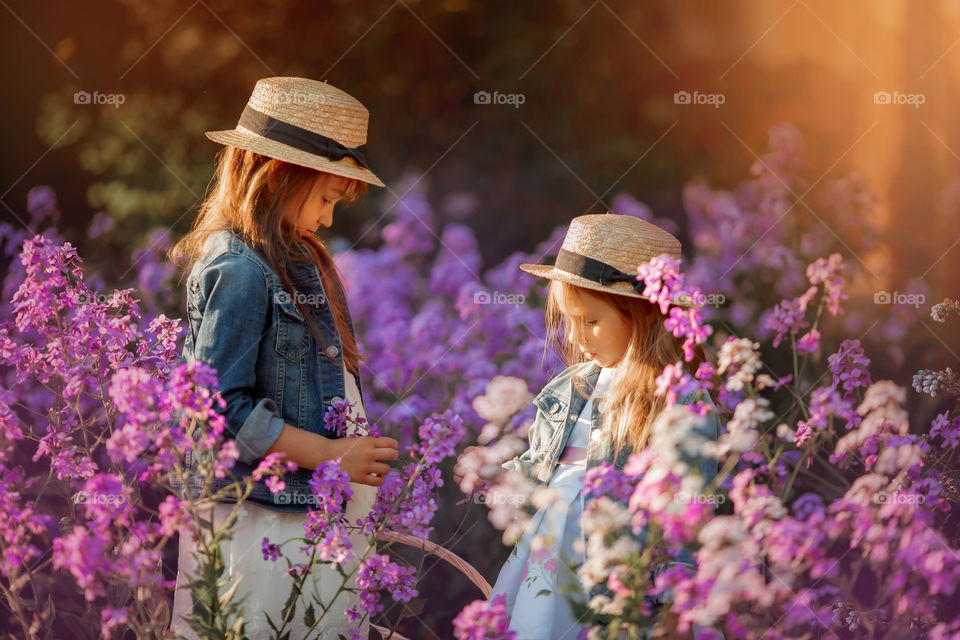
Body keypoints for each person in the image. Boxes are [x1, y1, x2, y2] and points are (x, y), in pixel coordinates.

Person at [167, 76, 399, 639]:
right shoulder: (238, 268)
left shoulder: (296, 258)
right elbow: (220, 409)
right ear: (277, 176)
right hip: (262, 521)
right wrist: (328, 454)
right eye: (325, 198)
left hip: (309, 512)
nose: (328, 218)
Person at [454, 213, 721, 640]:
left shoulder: (676, 399)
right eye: (568, 320)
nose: (577, 339)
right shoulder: (568, 389)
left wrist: (678, 603)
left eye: (591, 322)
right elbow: (538, 474)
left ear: (643, 315)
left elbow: (689, 514)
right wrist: (495, 475)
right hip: (546, 575)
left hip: (627, 590)